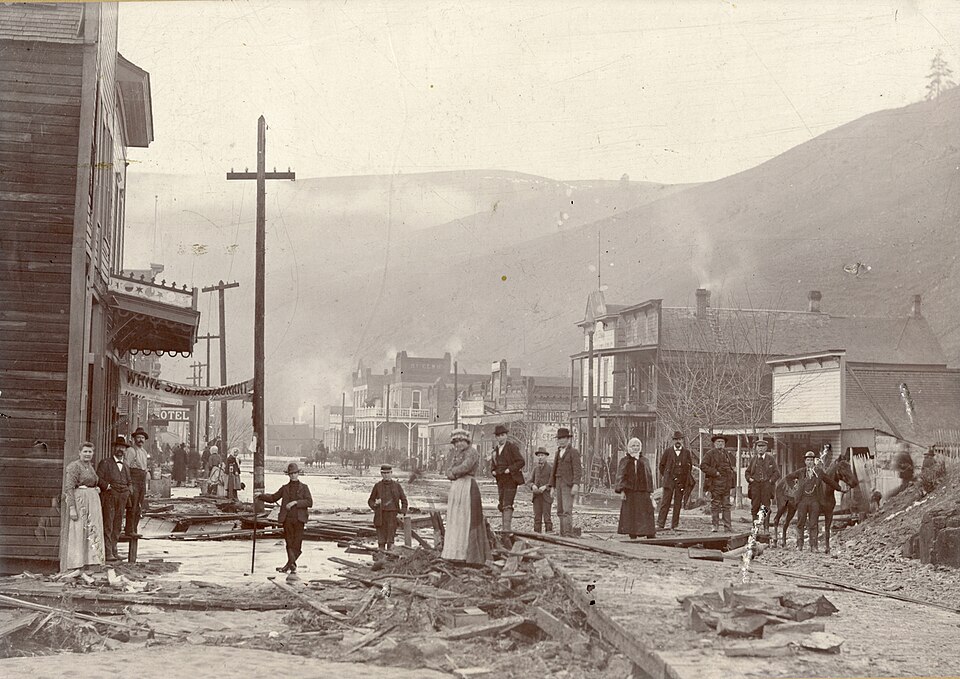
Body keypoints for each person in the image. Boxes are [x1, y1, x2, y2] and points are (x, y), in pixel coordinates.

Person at [440, 428, 491, 565]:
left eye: (461, 441)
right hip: (456, 487)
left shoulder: (472, 452)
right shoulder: (454, 454)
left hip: (468, 486)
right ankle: (454, 553)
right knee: (455, 518)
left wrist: (453, 472)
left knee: (466, 518)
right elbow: (447, 470)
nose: (458, 444)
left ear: (466, 441)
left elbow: (466, 467)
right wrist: (451, 473)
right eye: (456, 442)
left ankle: (467, 554)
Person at [257, 461, 313, 574]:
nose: (293, 475)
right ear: (288, 475)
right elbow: (273, 498)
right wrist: (260, 496)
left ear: (298, 473)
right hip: (287, 519)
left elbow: (309, 502)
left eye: (295, 473)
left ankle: (288, 565)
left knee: (297, 544)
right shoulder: (285, 488)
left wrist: (295, 502)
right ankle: (291, 565)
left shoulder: (304, 488)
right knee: (289, 543)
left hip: (299, 519)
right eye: (291, 473)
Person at [782, 451, 841, 551]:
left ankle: (813, 546)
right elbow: (788, 478)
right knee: (801, 522)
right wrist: (794, 488)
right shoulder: (800, 472)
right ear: (805, 461)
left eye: (811, 460)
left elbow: (829, 481)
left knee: (813, 523)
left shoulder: (819, 472)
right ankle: (799, 545)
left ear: (814, 461)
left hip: (815, 501)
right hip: (802, 501)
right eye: (808, 460)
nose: (809, 462)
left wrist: (840, 488)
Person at [62, 441, 105, 569]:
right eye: (85, 451)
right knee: (79, 530)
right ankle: (76, 563)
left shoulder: (90, 466)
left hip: (92, 502)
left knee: (92, 530)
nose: (87, 454)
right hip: (80, 501)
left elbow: (93, 481)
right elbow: (69, 488)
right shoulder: (74, 466)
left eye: (90, 452)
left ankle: (90, 562)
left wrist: (97, 488)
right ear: (79, 453)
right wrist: (72, 508)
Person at [97, 436, 132, 562]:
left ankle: (114, 549)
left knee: (117, 525)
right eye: (118, 447)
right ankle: (107, 552)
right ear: (114, 448)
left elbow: (129, 481)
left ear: (125, 450)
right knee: (108, 524)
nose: (120, 450)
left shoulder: (126, 466)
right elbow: (98, 478)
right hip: (110, 497)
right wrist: (107, 486)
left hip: (122, 498)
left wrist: (128, 491)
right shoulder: (105, 463)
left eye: (123, 447)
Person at [615, 438, 656, 539]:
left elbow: (649, 476)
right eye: (633, 446)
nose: (635, 448)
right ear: (629, 447)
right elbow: (621, 475)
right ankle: (632, 533)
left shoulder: (644, 460)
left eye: (637, 446)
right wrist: (622, 491)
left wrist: (650, 492)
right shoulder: (625, 461)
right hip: (630, 492)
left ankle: (649, 532)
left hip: (643, 492)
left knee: (645, 512)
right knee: (631, 513)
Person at [490, 424, 525, 533]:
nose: (501, 437)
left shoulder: (512, 447)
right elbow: (493, 464)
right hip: (500, 480)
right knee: (501, 503)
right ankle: (505, 528)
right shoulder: (495, 450)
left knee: (507, 503)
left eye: (503, 435)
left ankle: (506, 529)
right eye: (498, 436)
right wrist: (493, 471)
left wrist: (510, 469)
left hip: (510, 479)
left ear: (506, 435)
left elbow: (521, 461)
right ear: (496, 437)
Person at [657, 431, 694, 531]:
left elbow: (689, 467)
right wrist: (666, 476)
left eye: (680, 439)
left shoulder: (686, 453)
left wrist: (685, 480)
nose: (678, 441)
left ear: (682, 440)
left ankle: (675, 524)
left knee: (678, 503)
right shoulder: (667, 452)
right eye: (676, 439)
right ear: (673, 441)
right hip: (669, 481)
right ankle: (660, 523)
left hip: (681, 482)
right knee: (665, 502)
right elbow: (661, 466)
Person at [367, 464, 408, 552]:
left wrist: (402, 513)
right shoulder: (377, 486)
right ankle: (380, 560)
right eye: (384, 473)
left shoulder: (397, 486)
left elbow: (404, 500)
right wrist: (375, 504)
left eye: (388, 473)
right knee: (381, 542)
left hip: (393, 516)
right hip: (380, 516)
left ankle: (389, 561)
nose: (386, 475)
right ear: (381, 474)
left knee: (390, 542)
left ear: (391, 473)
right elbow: (370, 500)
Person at [550, 427, 582, 537]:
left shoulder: (574, 452)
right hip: (558, 482)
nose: (561, 440)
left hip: (568, 484)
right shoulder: (557, 453)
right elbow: (554, 470)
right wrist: (552, 486)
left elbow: (577, 470)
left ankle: (568, 533)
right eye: (559, 438)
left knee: (567, 510)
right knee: (560, 510)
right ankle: (562, 533)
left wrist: (576, 484)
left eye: (563, 438)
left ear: (568, 439)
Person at [701, 434, 737, 532]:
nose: (720, 444)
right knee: (715, 505)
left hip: (726, 484)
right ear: (714, 443)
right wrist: (715, 472)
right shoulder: (710, 454)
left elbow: (731, 469)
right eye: (718, 442)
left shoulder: (727, 454)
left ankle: (728, 527)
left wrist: (732, 483)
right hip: (715, 484)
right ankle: (715, 526)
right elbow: (703, 466)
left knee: (726, 505)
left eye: (722, 442)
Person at [745, 438, 780, 532]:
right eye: (759, 447)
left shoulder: (770, 459)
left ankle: (766, 528)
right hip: (755, 486)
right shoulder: (753, 460)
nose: (761, 449)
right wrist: (750, 479)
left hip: (766, 487)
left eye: (763, 446)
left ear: (766, 448)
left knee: (766, 507)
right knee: (755, 507)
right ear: (756, 448)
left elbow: (777, 473)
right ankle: (755, 527)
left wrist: (770, 481)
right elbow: (747, 472)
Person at [124, 427, 150, 537]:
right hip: (133, 480)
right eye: (138, 437)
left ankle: (134, 529)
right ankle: (129, 530)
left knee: (139, 506)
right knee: (132, 506)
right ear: (134, 439)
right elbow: (126, 467)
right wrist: (129, 483)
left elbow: (144, 468)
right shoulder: (131, 451)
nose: (140, 440)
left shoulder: (144, 452)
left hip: (141, 481)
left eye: (142, 438)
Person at [528, 446, 554, 533]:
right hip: (536, 497)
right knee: (537, 518)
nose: (540, 457)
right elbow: (529, 481)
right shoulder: (535, 469)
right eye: (538, 455)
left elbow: (553, 482)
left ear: (546, 457)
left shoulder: (550, 468)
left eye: (542, 455)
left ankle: (549, 537)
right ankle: (537, 537)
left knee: (547, 518)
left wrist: (545, 487)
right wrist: (533, 486)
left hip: (546, 497)